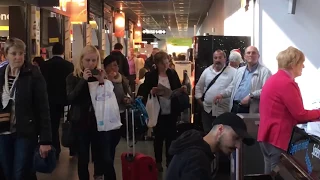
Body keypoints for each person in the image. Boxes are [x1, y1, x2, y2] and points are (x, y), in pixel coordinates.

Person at [258, 46, 320, 174]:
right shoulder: (286, 83)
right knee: (277, 174)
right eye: (302, 63)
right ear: (293, 64)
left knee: (269, 173)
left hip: (267, 135)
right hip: (277, 137)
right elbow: (300, 115)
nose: (303, 66)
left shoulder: (274, 79)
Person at [0, 37, 52, 179]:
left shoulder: (33, 74)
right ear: (6, 55)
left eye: (21, 53)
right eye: (14, 53)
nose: (18, 57)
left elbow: (43, 107)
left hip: (25, 132)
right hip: (3, 132)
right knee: (6, 171)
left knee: (20, 172)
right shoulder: (1, 74)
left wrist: (45, 140)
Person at [166, 112, 254, 180]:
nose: (238, 146)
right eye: (236, 138)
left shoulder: (200, 150)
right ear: (220, 129)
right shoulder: (196, 158)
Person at [66, 45, 106, 180]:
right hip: (80, 120)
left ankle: (98, 175)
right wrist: (83, 80)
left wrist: (102, 82)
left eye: (94, 60)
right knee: (82, 154)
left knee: (99, 151)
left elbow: (106, 97)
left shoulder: (99, 75)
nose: (91, 64)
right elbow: (70, 97)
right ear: (81, 60)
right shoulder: (73, 77)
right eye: (88, 60)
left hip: (98, 119)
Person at [141, 51, 184, 172]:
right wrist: (151, 91)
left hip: (171, 109)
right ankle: (158, 161)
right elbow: (145, 90)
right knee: (159, 136)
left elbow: (176, 87)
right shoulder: (151, 75)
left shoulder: (172, 73)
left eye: (167, 63)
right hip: (157, 109)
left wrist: (180, 90)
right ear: (157, 64)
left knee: (171, 136)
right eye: (163, 64)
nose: (166, 66)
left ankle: (169, 161)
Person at [214, 46, 272, 114]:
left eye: (253, 53)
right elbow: (232, 86)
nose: (251, 55)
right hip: (235, 106)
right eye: (248, 53)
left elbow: (267, 90)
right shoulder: (240, 70)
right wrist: (222, 95)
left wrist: (251, 95)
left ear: (258, 56)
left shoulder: (265, 72)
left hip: (250, 109)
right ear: (244, 56)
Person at [41, 42, 74, 159]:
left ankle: (56, 149)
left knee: (53, 126)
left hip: (50, 99)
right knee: (70, 124)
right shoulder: (69, 65)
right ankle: (73, 148)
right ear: (63, 51)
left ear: (52, 52)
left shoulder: (45, 65)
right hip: (66, 99)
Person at [195, 50, 236, 133]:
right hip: (207, 110)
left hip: (223, 111)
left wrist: (222, 95)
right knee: (207, 133)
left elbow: (233, 88)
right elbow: (199, 87)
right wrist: (200, 102)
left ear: (225, 59)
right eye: (215, 58)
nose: (217, 60)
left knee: (221, 135)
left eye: (220, 57)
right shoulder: (207, 71)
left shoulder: (233, 72)